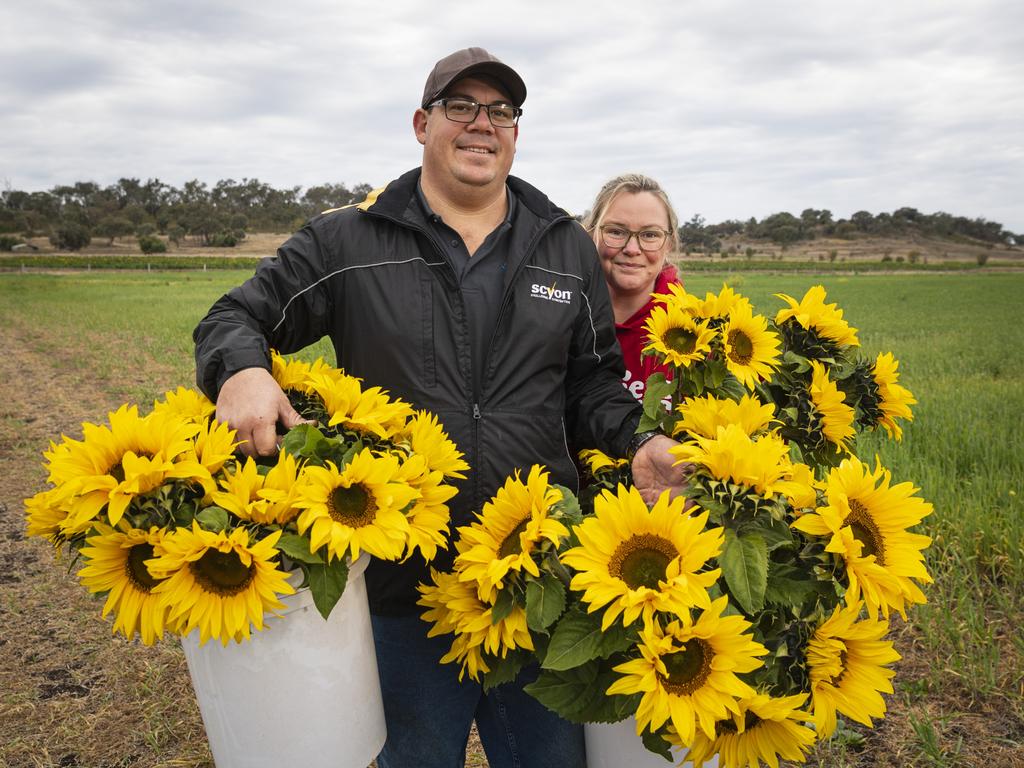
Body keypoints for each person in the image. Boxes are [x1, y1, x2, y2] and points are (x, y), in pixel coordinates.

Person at [193, 47, 685, 768]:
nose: (483, 125)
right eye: (462, 108)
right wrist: (241, 370)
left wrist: (640, 442)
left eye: (502, 111)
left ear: (516, 132)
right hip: (401, 584)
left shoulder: (562, 247)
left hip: (535, 583)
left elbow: (591, 383)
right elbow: (235, 314)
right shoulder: (348, 241)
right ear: (422, 124)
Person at [583, 174, 683, 402]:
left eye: (650, 235)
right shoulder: (562, 321)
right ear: (592, 234)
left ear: (669, 242)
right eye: (616, 231)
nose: (632, 248)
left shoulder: (696, 334)